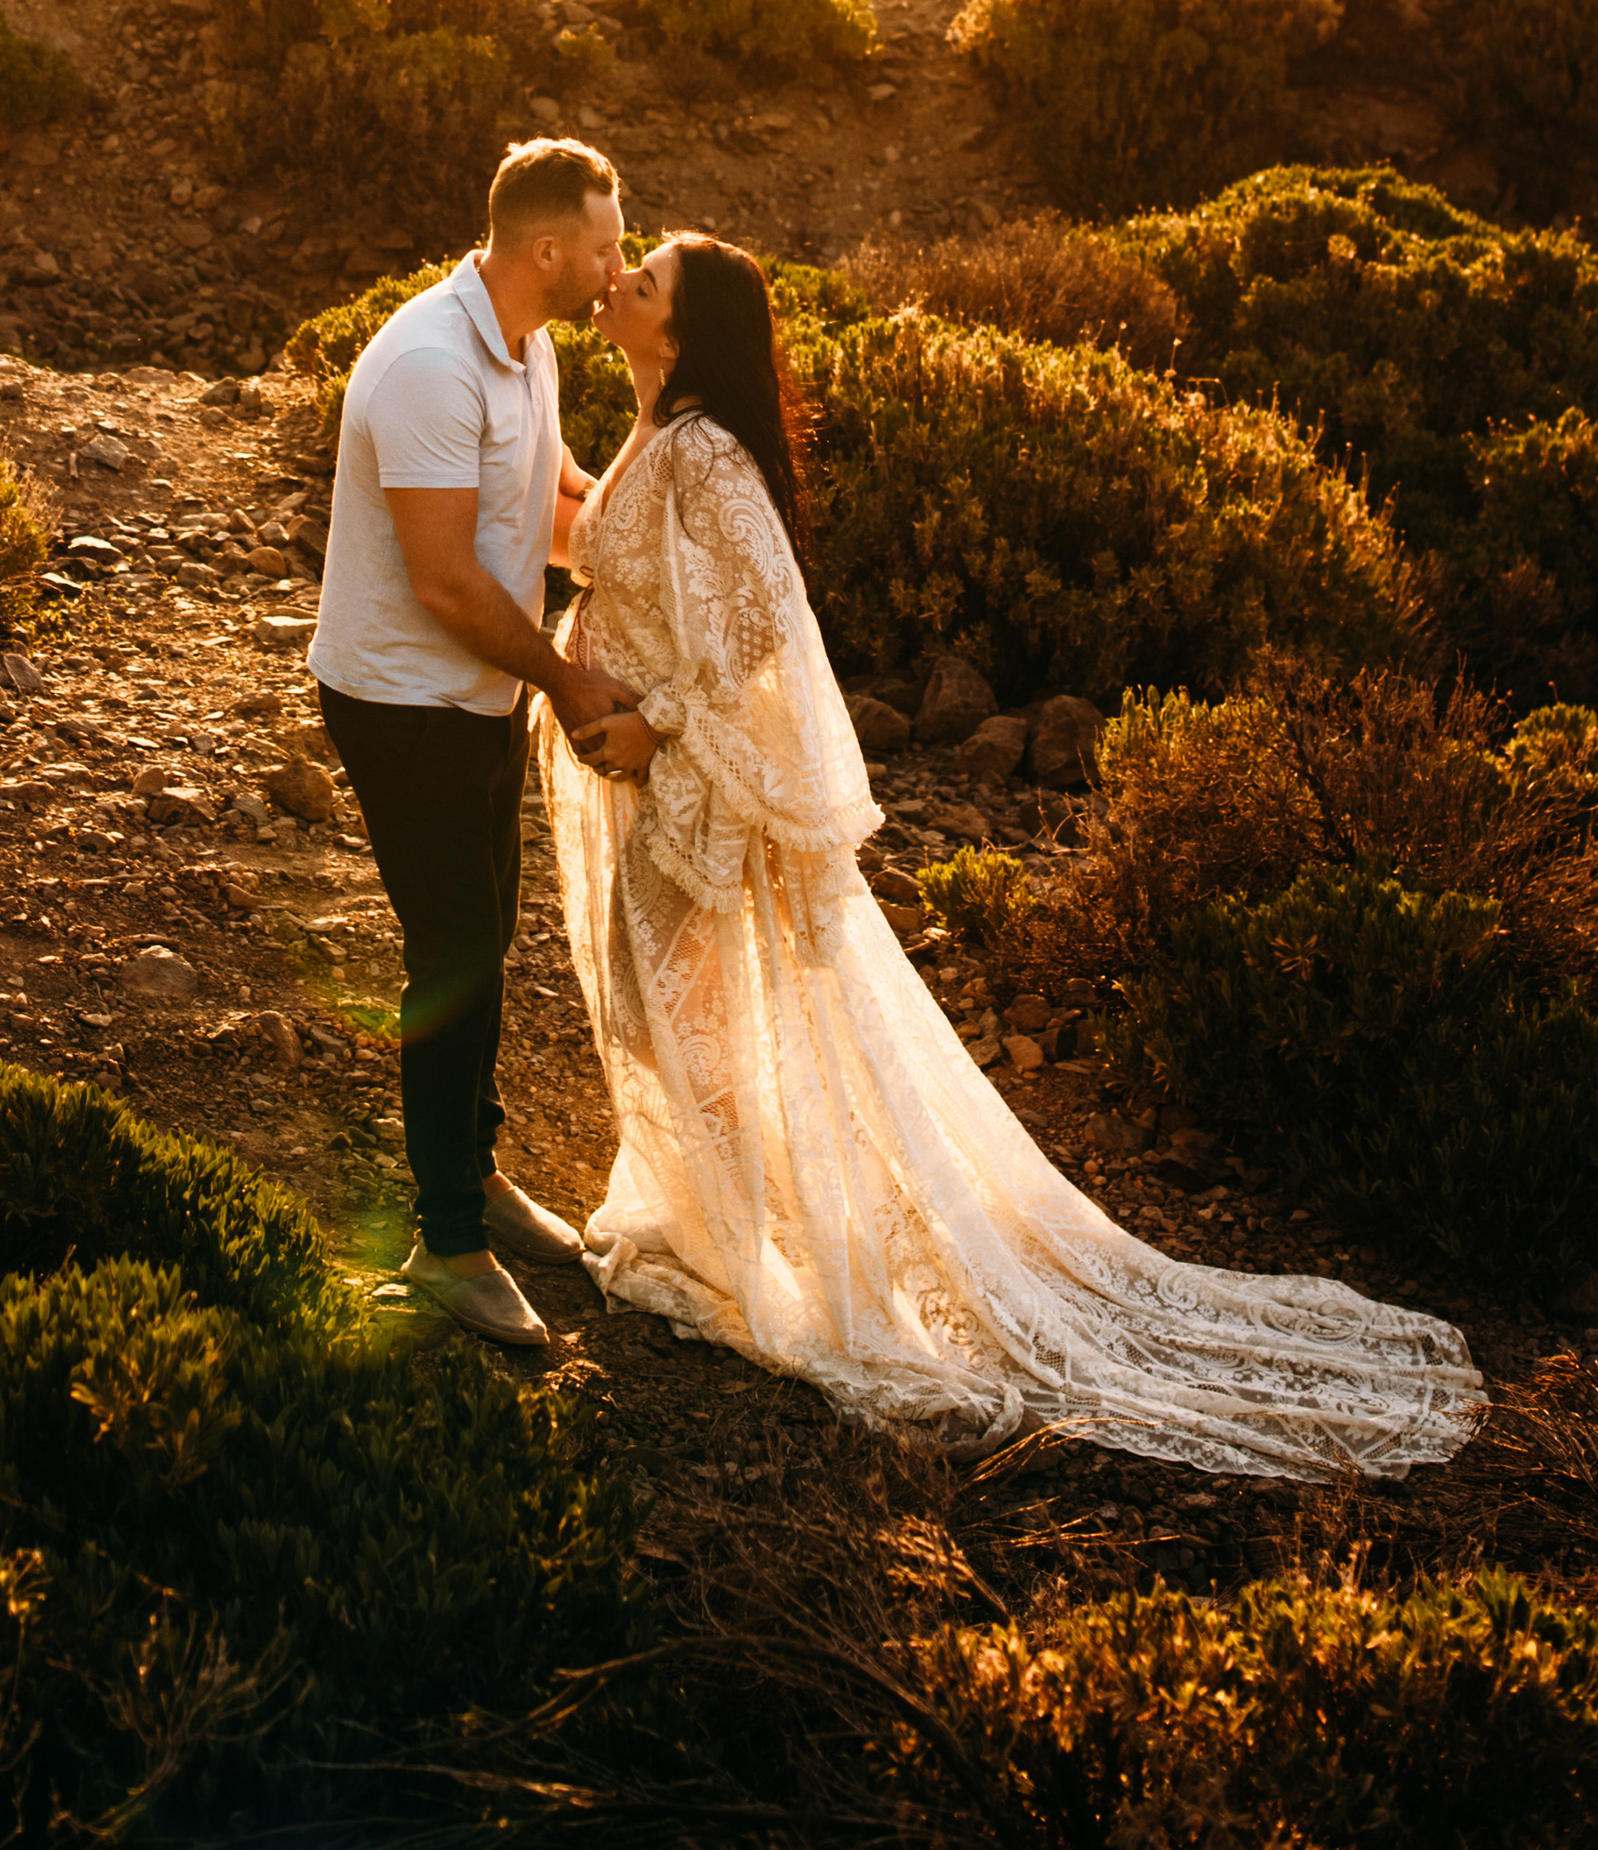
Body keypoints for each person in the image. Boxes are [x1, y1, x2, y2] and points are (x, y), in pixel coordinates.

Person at [539, 232, 1487, 1480]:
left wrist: (658, 723)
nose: (620, 282)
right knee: (669, 1004)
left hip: (695, 788)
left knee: (683, 1008)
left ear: (679, 327)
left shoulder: (706, 451)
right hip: (662, 779)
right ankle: (723, 1223)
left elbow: (767, 624)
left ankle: (754, 1255)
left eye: (645, 278)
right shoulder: (655, 430)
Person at [311, 135, 638, 1353]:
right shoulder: (430, 366)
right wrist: (568, 679)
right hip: (404, 703)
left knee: (484, 944)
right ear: (546, 249)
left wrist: (653, 533)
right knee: (450, 960)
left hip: (481, 695)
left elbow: (549, 502)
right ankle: (446, 1243)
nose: (617, 269)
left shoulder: (528, 342)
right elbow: (445, 581)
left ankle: (478, 1173)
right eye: (605, 247)